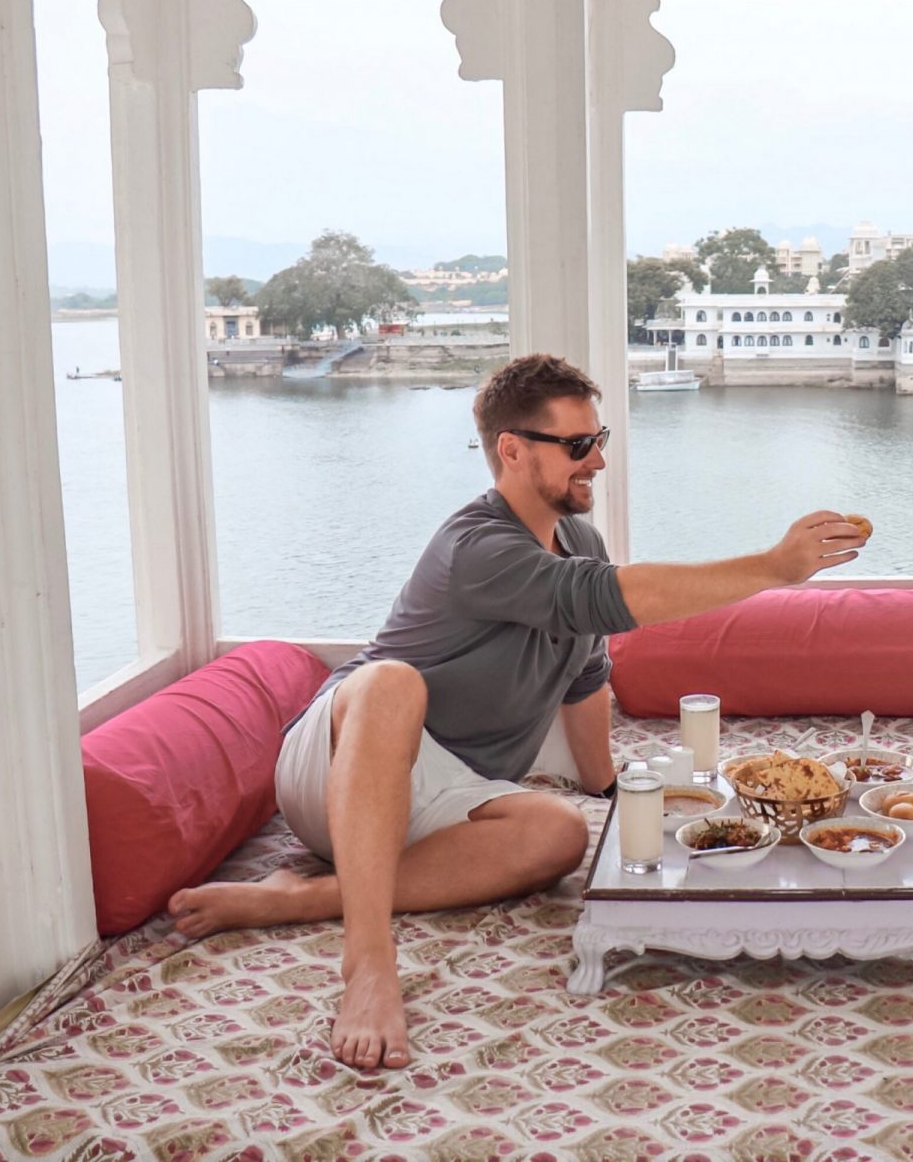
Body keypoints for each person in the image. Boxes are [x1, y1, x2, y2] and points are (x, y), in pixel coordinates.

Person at [166, 354, 867, 1072]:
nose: (595, 460)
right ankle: (369, 967)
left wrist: (609, 790)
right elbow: (604, 601)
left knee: (558, 833)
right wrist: (774, 569)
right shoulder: (477, 545)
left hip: (450, 795)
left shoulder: (580, 541)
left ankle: (301, 898)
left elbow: (585, 676)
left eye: (600, 440)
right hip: (342, 762)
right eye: (576, 446)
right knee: (391, 683)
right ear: (511, 449)